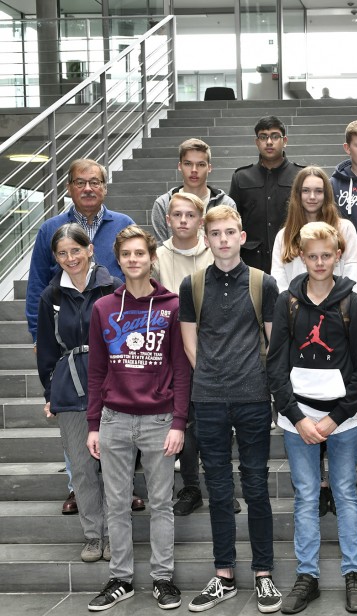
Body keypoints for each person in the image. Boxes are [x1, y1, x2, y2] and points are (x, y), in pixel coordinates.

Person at [179, 205, 282, 614]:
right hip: (208, 399)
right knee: (219, 489)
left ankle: (263, 574)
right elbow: (190, 343)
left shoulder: (263, 283)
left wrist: (257, 381)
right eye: (215, 233)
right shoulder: (193, 285)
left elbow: (273, 343)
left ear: (242, 237)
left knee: (255, 487)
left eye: (230, 232)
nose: (223, 239)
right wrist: (212, 377)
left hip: (254, 398)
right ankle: (223, 574)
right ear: (206, 239)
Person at [266, 222, 357, 615]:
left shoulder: (351, 302)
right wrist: (296, 416)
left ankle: (353, 574)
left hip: (340, 419)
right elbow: (275, 365)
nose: (320, 262)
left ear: (338, 255)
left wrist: (336, 417)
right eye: (312, 256)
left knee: (345, 491)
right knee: (307, 495)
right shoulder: (287, 302)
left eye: (327, 255)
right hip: (299, 419)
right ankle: (306, 576)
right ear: (301, 257)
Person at [85, 226, 191, 611]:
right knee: (116, 504)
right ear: (119, 259)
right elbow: (96, 371)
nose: (133, 260)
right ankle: (121, 579)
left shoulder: (173, 307)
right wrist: (93, 425)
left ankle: (162, 578)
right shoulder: (103, 309)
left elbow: (181, 368)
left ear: (151, 258)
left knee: (161, 503)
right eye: (126, 254)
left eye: (140, 253)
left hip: (159, 420)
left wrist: (179, 422)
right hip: (113, 419)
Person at [35, 224, 122, 563]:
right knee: (82, 467)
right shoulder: (51, 296)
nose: (70, 258)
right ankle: (92, 535)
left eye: (75, 250)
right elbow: (45, 350)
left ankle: (117, 534)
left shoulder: (112, 287)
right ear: (55, 257)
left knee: (116, 466)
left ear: (89, 249)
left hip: (112, 385)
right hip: (70, 387)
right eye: (62, 253)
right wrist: (49, 394)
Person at [152, 191, 215, 517]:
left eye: (190, 215)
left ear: (200, 220)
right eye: (177, 215)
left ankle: (221, 487)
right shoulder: (158, 257)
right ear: (167, 220)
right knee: (185, 421)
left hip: (214, 349)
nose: (183, 221)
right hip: (172, 353)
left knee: (216, 421)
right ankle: (190, 487)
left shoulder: (213, 252)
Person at [26, 159, 132, 345]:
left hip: (117, 327)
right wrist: (37, 335)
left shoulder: (124, 225)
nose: (88, 189)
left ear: (105, 188)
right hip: (65, 333)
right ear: (69, 188)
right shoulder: (50, 229)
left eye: (94, 182)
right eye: (80, 183)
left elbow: (136, 276)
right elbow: (37, 284)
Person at [229, 115, 304, 272]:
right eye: (263, 137)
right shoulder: (242, 177)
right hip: (252, 263)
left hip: (292, 257)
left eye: (275, 136)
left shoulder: (300, 176)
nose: (269, 142)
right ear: (257, 142)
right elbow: (233, 221)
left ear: (285, 141)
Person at [272, 166, 357, 293]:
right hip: (297, 309)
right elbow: (279, 279)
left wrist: (343, 304)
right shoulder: (284, 235)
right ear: (298, 194)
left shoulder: (345, 229)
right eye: (306, 191)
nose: (312, 197)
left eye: (318, 191)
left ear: (326, 194)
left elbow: (352, 272)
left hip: (336, 308)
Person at [149, 138, 236, 242]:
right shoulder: (163, 204)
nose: (194, 170)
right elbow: (161, 249)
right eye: (188, 164)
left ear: (209, 168)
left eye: (201, 164)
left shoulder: (226, 204)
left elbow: (231, 244)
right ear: (179, 166)